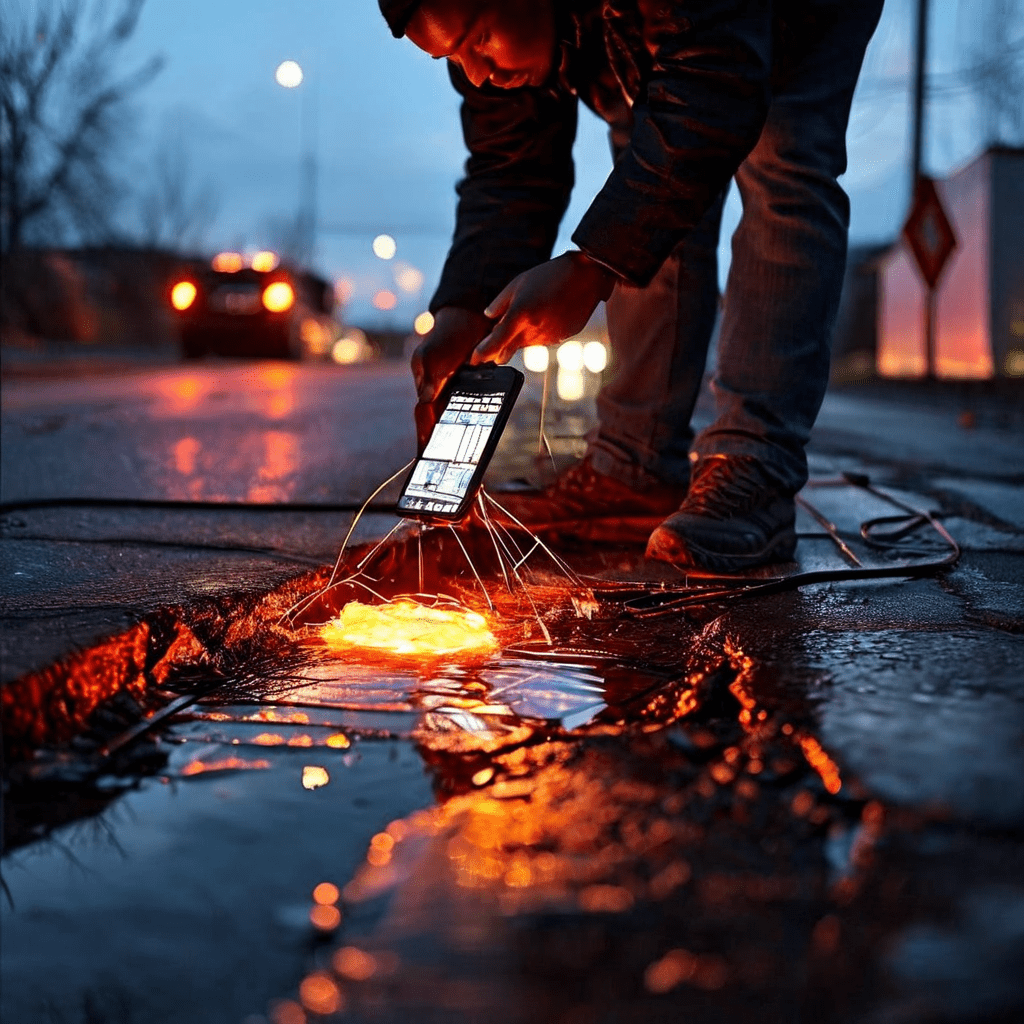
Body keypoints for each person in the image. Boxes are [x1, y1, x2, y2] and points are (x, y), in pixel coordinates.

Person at [379, 0, 883, 572]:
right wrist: (465, 311)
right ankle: (633, 468)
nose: (476, 73)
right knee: (647, 182)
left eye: (480, 39)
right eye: (453, 58)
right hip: (642, 33)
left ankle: (754, 469)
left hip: (792, 15)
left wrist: (594, 268)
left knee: (784, 161)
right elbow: (510, 170)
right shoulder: (491, 41)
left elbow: (713, 84)